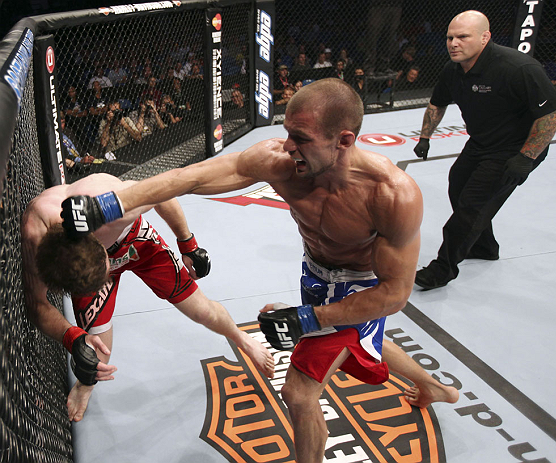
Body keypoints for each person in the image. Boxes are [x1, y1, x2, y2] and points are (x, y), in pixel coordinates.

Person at [61, 78, 459, 462]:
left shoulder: (391, 194)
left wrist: (310, 318)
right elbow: (190, 177)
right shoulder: (282, 162)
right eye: (287, 132)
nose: (288, 146)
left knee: (300, 393)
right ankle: (433, 386)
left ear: (344, 141)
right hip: (315, 274)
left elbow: (393, 294)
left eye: (301, 138)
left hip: (360, 287)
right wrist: (111, 204)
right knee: (349, 339)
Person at [22, 173, 275, 422]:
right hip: (87, 265)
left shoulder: (106, 205)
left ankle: (241, 337)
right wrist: (72, 337)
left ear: (97, 240)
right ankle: (85, 385)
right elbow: (37, 305)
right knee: (97, 356)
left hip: (133, 240)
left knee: (201, 311)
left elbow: (162, 190)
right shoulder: (37, 238)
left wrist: (187, 243)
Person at [412, 11, 556, 290]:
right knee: (457, 185)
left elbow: (554, 113)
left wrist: (526, 157)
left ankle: (442, 268)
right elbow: (437, 103)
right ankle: (484, 247)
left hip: (517, 148)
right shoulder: (453, 70)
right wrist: (425, 137)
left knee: (472, 205)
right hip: (483, 142)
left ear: (485, 37)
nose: (453, 43)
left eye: (462, 37)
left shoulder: (517, 68)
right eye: (449, 37)